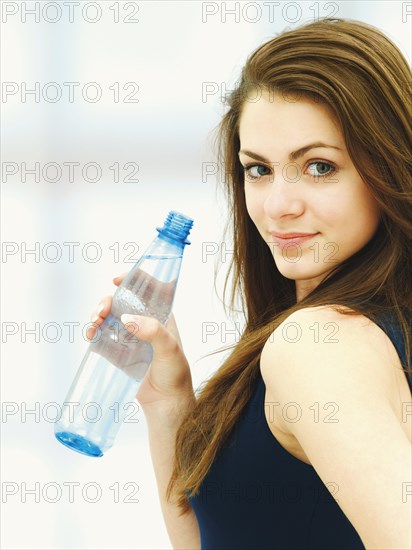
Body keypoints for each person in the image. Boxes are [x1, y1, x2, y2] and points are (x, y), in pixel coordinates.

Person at [87, 18, 411, 550]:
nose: (279, 205)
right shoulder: (357, 331)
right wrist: (169, 401)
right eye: (258, 169)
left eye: (320, 166)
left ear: (391, 165)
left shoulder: (318, 345)